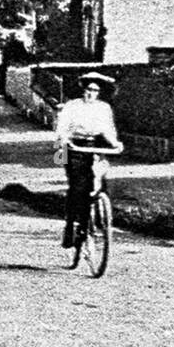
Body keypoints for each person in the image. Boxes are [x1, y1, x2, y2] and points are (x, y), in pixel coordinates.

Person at [54, 71, 122, 248]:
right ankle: (71, 225)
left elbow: (107, 129)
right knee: (78, 186)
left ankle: (97, 220)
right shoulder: (72, 106)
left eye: (95, 90)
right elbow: (61, 127)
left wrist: (115, 143)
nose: (90, 93)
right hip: (74, 145)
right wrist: (64, 140)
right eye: (88, 89)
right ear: (83, 89)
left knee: (99, 182)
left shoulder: (103, 108)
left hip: (94, 145)